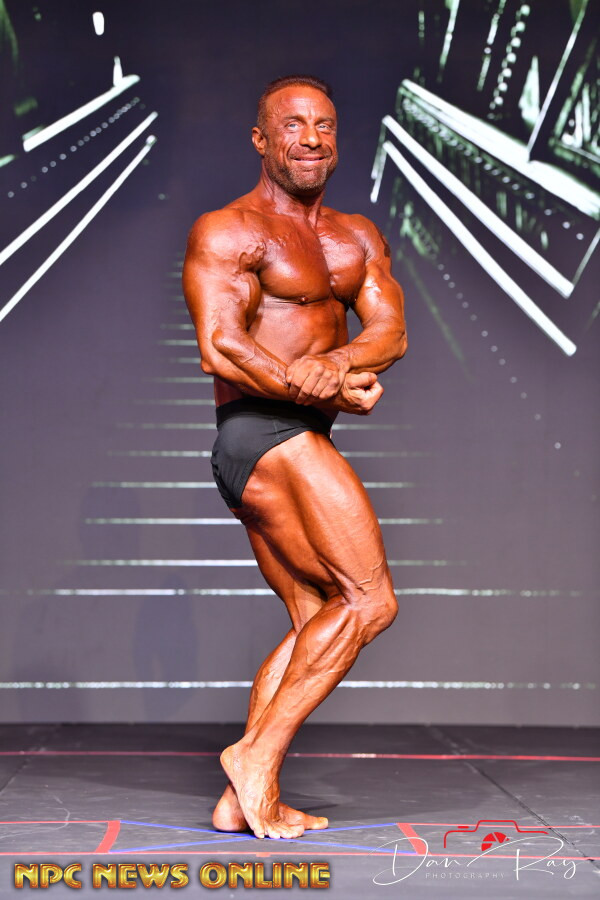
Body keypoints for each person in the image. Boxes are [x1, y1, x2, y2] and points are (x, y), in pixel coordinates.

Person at [182, 74, 407, 841]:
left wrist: (334, 368)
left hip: (296, 436)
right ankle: (255, 757)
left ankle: (240, 798)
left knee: (318, 613)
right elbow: (220, 345)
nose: (311, 138)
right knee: (370, 602)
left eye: (324, 125)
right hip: (262, 431)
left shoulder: (356, 237)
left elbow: (390, 331)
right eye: (293, 124)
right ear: (261, 139)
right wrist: (310, 383)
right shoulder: (230, 230)